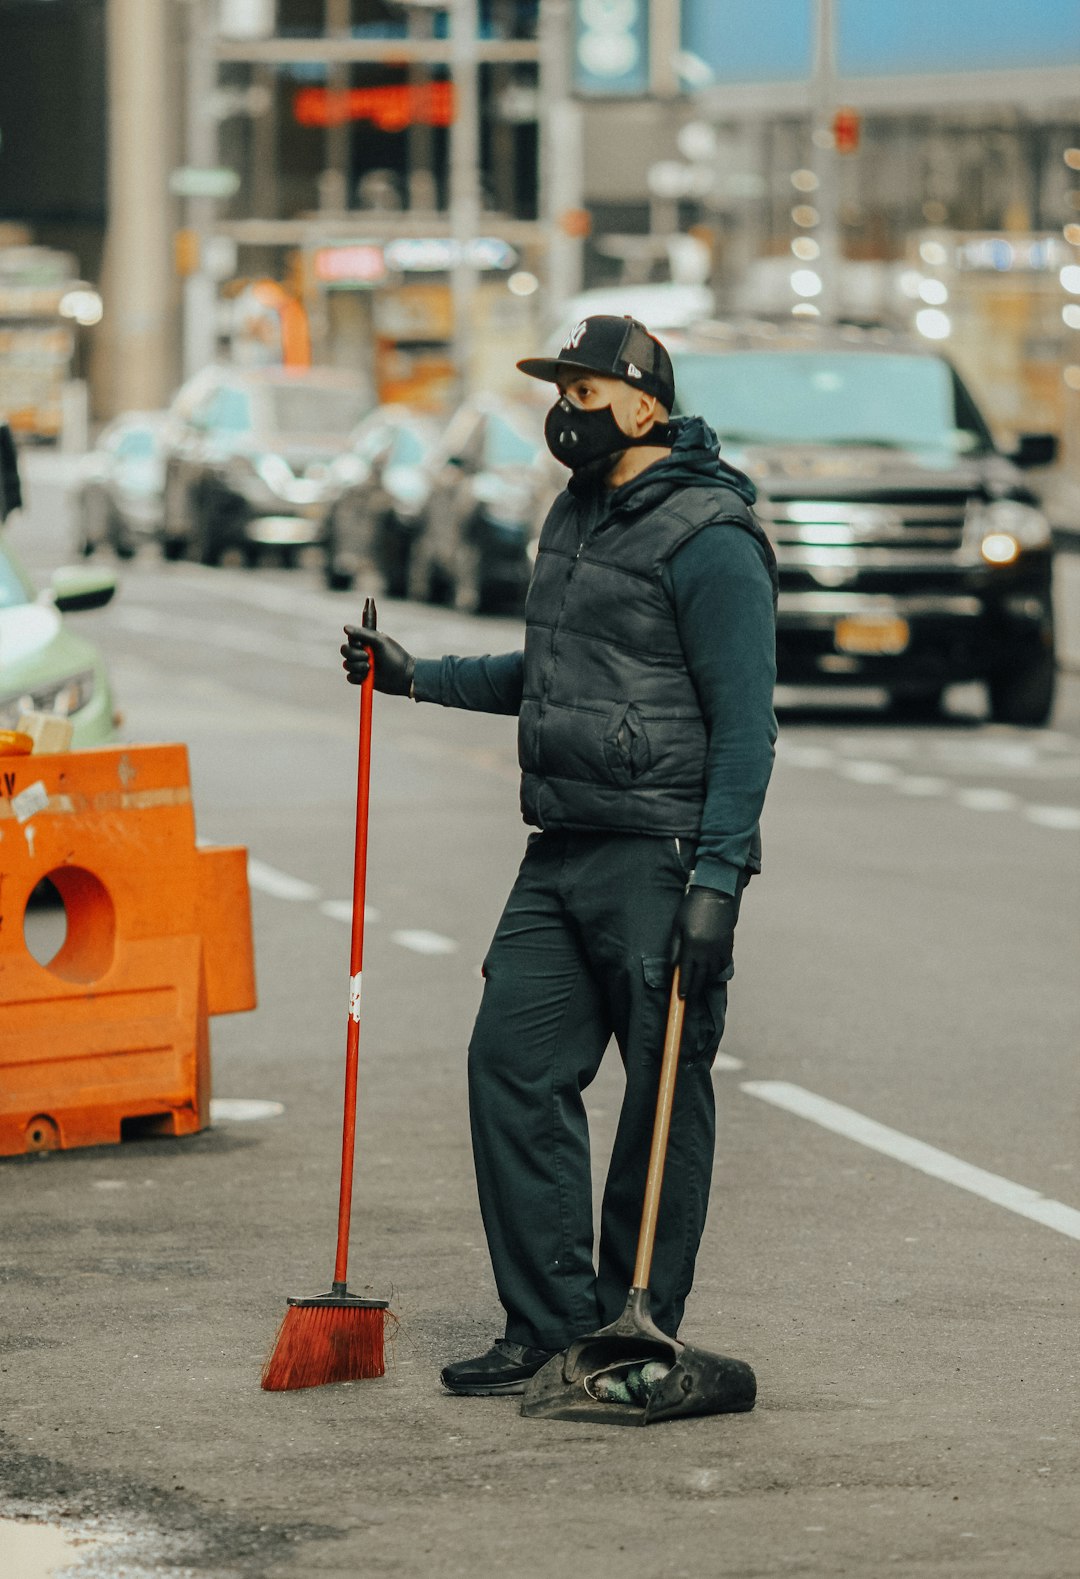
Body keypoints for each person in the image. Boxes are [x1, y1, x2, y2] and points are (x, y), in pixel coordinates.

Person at [341, 315, 777, 1396]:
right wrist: (413, 677)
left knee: (661, 1093)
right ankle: (546, 1325)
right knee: (512, 1064)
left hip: (660, 849)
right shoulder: (574, 515)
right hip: (564, 844)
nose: (564, 410)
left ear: (641, 405)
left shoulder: (710, 535)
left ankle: (634, 1332)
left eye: (582, 391)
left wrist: (717, 880)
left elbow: (746, 725)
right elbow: (548, 671)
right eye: (559, 388)